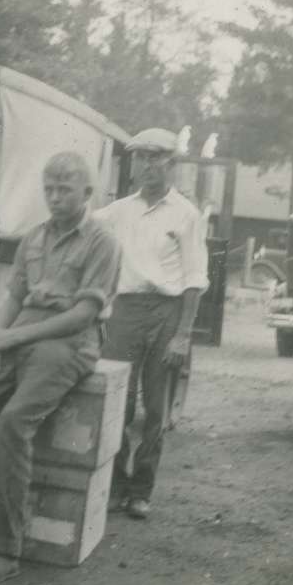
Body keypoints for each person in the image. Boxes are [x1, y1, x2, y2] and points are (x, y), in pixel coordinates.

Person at [0, 152, 121, 584]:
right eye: (49, 189)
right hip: (19, 336)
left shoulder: (102, 242)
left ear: (87, 193)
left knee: (14, 422)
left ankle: (3, 551)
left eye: (65, 190)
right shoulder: (34, 238)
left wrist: (10, 338)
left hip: (68, 343)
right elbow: (14, 297)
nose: (55, 198)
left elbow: (82, 315)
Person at [94, 127, 209, 520]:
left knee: (156, 408)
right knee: (117, 402)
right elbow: (81, 223)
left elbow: (194, 278)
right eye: (140, 158)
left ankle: (142, 489)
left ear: (171, 164)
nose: (146, 166)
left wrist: (183, 334)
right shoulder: (118, 211)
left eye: (155, 157)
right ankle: (116, 484)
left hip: (166, 312)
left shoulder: (186, 215)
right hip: (125, 310)